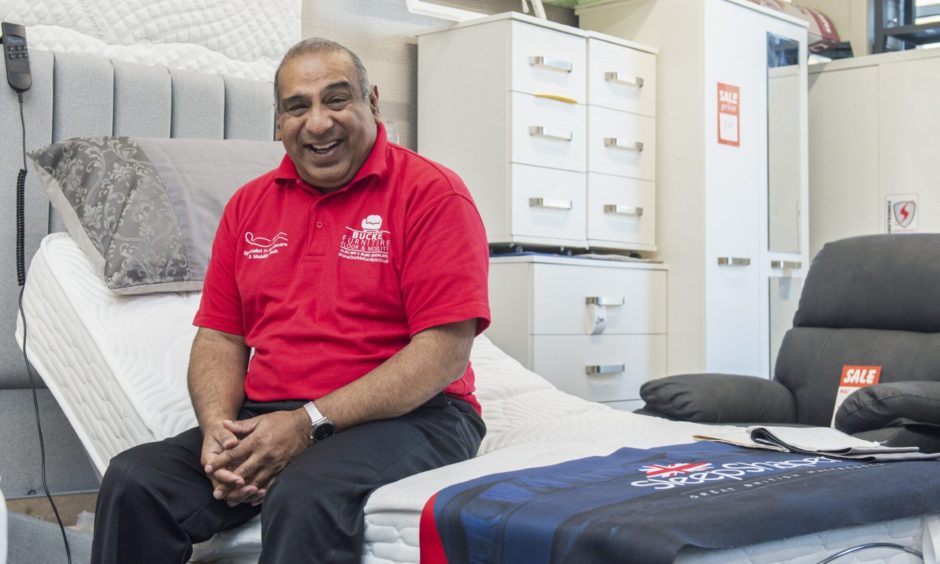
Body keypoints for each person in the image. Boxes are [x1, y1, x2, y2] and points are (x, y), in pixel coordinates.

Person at [91, 37, 490, 563]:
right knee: (135, 480)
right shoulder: (249, 206)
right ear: (278, 122)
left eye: (336, 99)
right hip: (272, 411)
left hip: (418, 415)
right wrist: (219, 431)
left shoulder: (433, 194)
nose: (318, 123)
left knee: (305, 492)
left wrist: (307, 425)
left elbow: (443, 353)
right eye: (297, 107)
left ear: (372, 101)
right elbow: (220, 336)